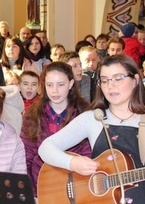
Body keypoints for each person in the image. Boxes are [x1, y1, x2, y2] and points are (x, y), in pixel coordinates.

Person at [38, 55, 145, 203]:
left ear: (135, 80)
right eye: (104, 80)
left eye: (118, 78)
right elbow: (46, 148)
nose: (110, 86)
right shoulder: (94, 118)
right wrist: (72, 163)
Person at [20, 62, 90, 196]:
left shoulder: (84, 114)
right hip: (40, 183)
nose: (54, 90)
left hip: (75, 184)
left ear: (70, 84)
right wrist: (30, 192)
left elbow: (88, 153)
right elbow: (27, 155)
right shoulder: (32, 115)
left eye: (60, 84)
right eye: (49, 85)